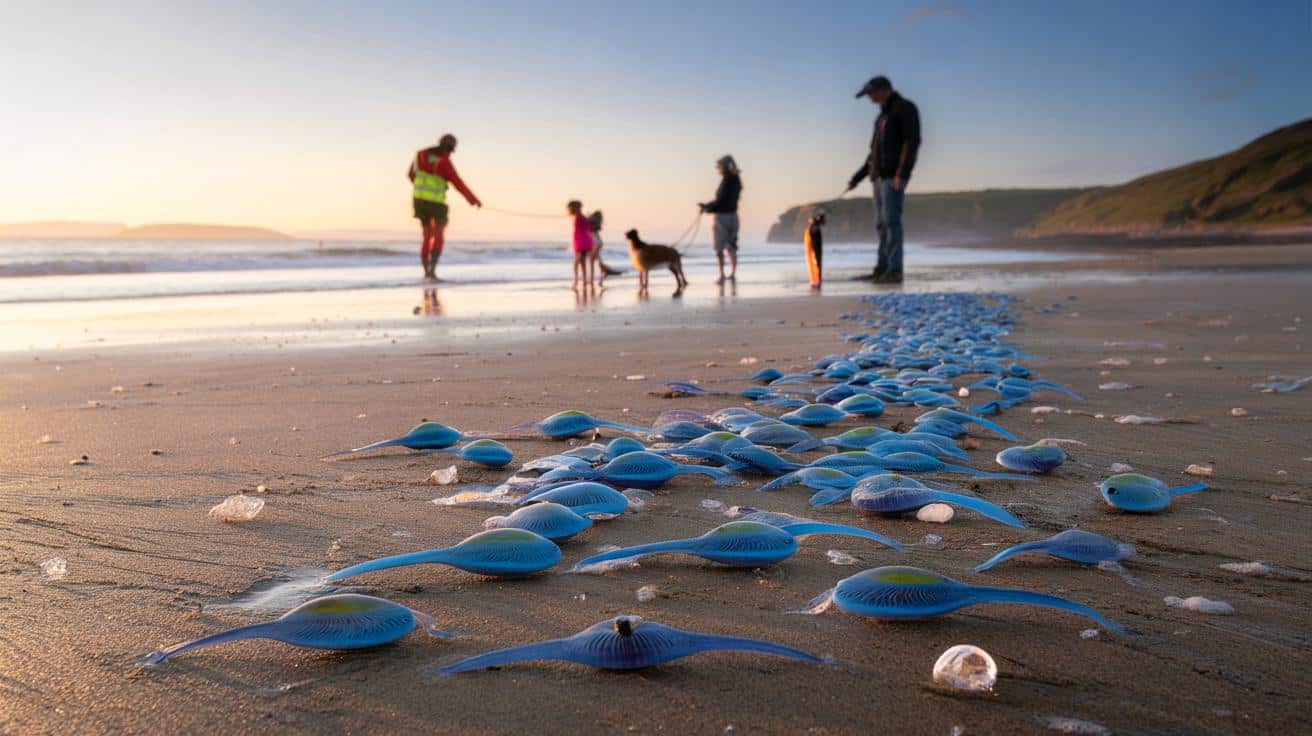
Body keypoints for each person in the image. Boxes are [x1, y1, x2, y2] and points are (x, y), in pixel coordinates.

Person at [847, 76, 920, 283]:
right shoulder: (881, 117)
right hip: (877, 178)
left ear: (883, 90)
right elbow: (873, 154)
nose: (869, 98)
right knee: (881, 224)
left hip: (892, 177)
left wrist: (902, 173)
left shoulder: (904, 108)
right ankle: (882, 268)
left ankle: (895, 271)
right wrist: (857, 177)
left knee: (891, 222)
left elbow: (911, 141)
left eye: (871, 93)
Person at [409, 134, 481, 282]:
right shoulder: (444, 162)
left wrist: (421, 188)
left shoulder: (420, 155)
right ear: (450, 149)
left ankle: (426, 273)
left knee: (426, 236)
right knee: (438, 236)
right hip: (436, 203)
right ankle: (432, 272)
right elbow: (457, 182)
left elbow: (411, 175)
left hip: (419, 201)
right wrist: (473, 200)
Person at [699, 155, 742, 285]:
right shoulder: (737, 180)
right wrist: (707, 206)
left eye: (719, 167)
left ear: (724, 166)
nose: (718, 169)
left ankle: (722, 275)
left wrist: (707, 209)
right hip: (734, 216)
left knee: (719, 248)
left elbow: (720, 201)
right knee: (731, 246)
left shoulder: (726, 180)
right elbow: (726, 200)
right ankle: (733, 274)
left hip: (722, 218)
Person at [587, 210, 623, 283]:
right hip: (596, 243)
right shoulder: (594, 224)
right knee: (596, 260)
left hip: (595, 243)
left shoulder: (593, 225)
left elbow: (594, 230)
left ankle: (596, 275)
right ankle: (603, 272)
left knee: (594, 260)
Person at [567, 200, 594, 289]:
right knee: (582, 263)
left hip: (581, 242)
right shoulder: (583, 217)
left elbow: (578, 231)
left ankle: (576, 281)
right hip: (585, 241)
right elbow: (588, 229)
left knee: (577, 263)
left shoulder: (578, 218)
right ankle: (584, 281)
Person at [805, 209, 826, 289]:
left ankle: (816, 282)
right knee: (815, 261)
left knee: (815, 262)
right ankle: (816, 281)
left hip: (814, 243)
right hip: (814, 243)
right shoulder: (814, 227)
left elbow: (823, 223)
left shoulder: (813, 226)